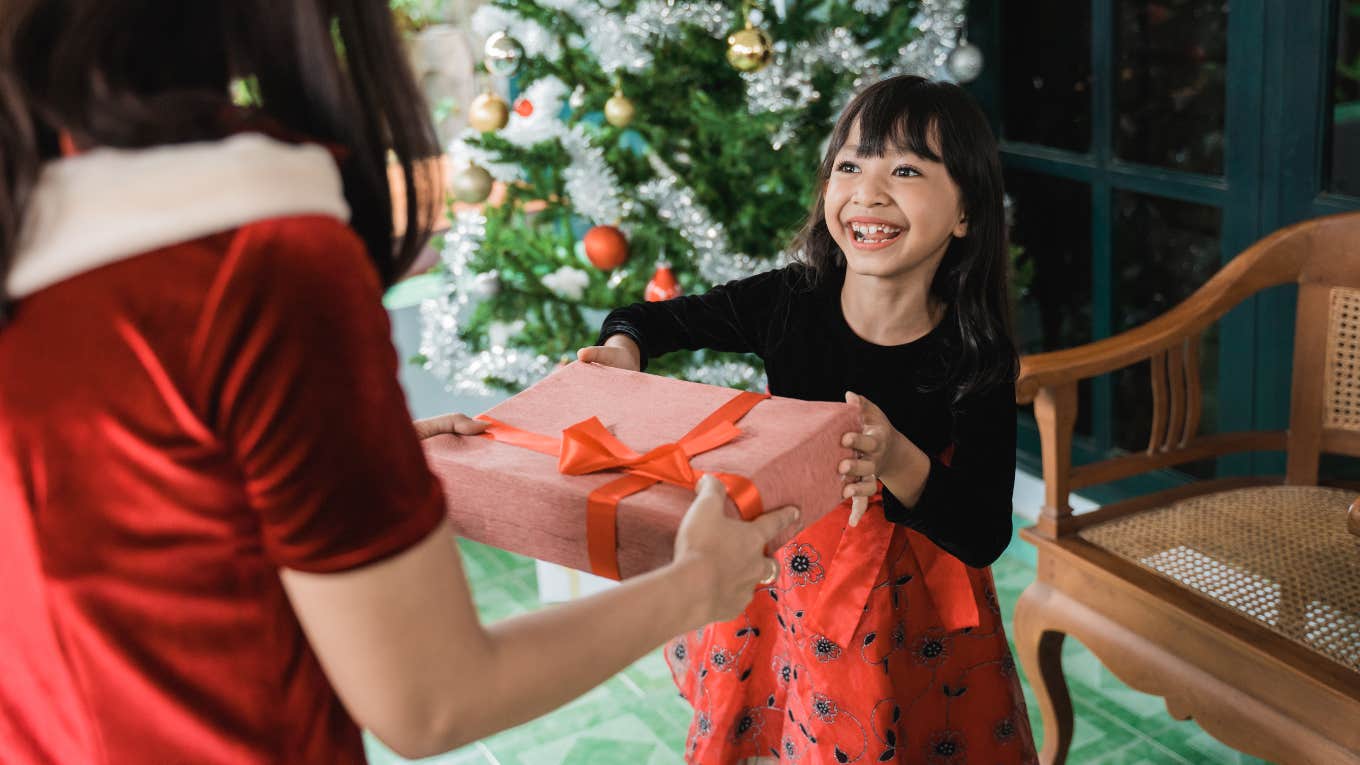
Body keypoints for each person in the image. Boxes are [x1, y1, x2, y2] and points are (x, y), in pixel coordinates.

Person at [0, 2, 799, 763]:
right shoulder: (253, 257)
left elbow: (90, 497)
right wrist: (696, 584)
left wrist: (336, 465)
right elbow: (430, 698)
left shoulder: (32, 191)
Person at [579, 75, 1038, 763]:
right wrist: (622, 348)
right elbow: (651, 319)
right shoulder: (789, 301)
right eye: (850, 164)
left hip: (910, 611)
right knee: (783, 721)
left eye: (906, 169)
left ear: (966, 211)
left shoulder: (977, 352)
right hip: (785, 570)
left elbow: (983, 531)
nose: (869, 191)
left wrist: (895, 459)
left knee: (889, 729)